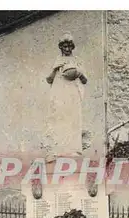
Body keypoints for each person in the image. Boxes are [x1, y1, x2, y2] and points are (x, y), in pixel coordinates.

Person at [43, 33, 87, 161]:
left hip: (73, 94)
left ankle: (74, 149)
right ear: (61, 47)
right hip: (59, 95)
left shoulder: (77, 60)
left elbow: (85, 80)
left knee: (73, 119)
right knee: (59, 119)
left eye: (69, 46)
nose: (67, 49)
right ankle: (58, 150)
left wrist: (78, 73)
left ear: (72, 47)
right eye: (64, 46)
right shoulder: (57, 61)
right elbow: (49, 79)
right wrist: (55, 68)